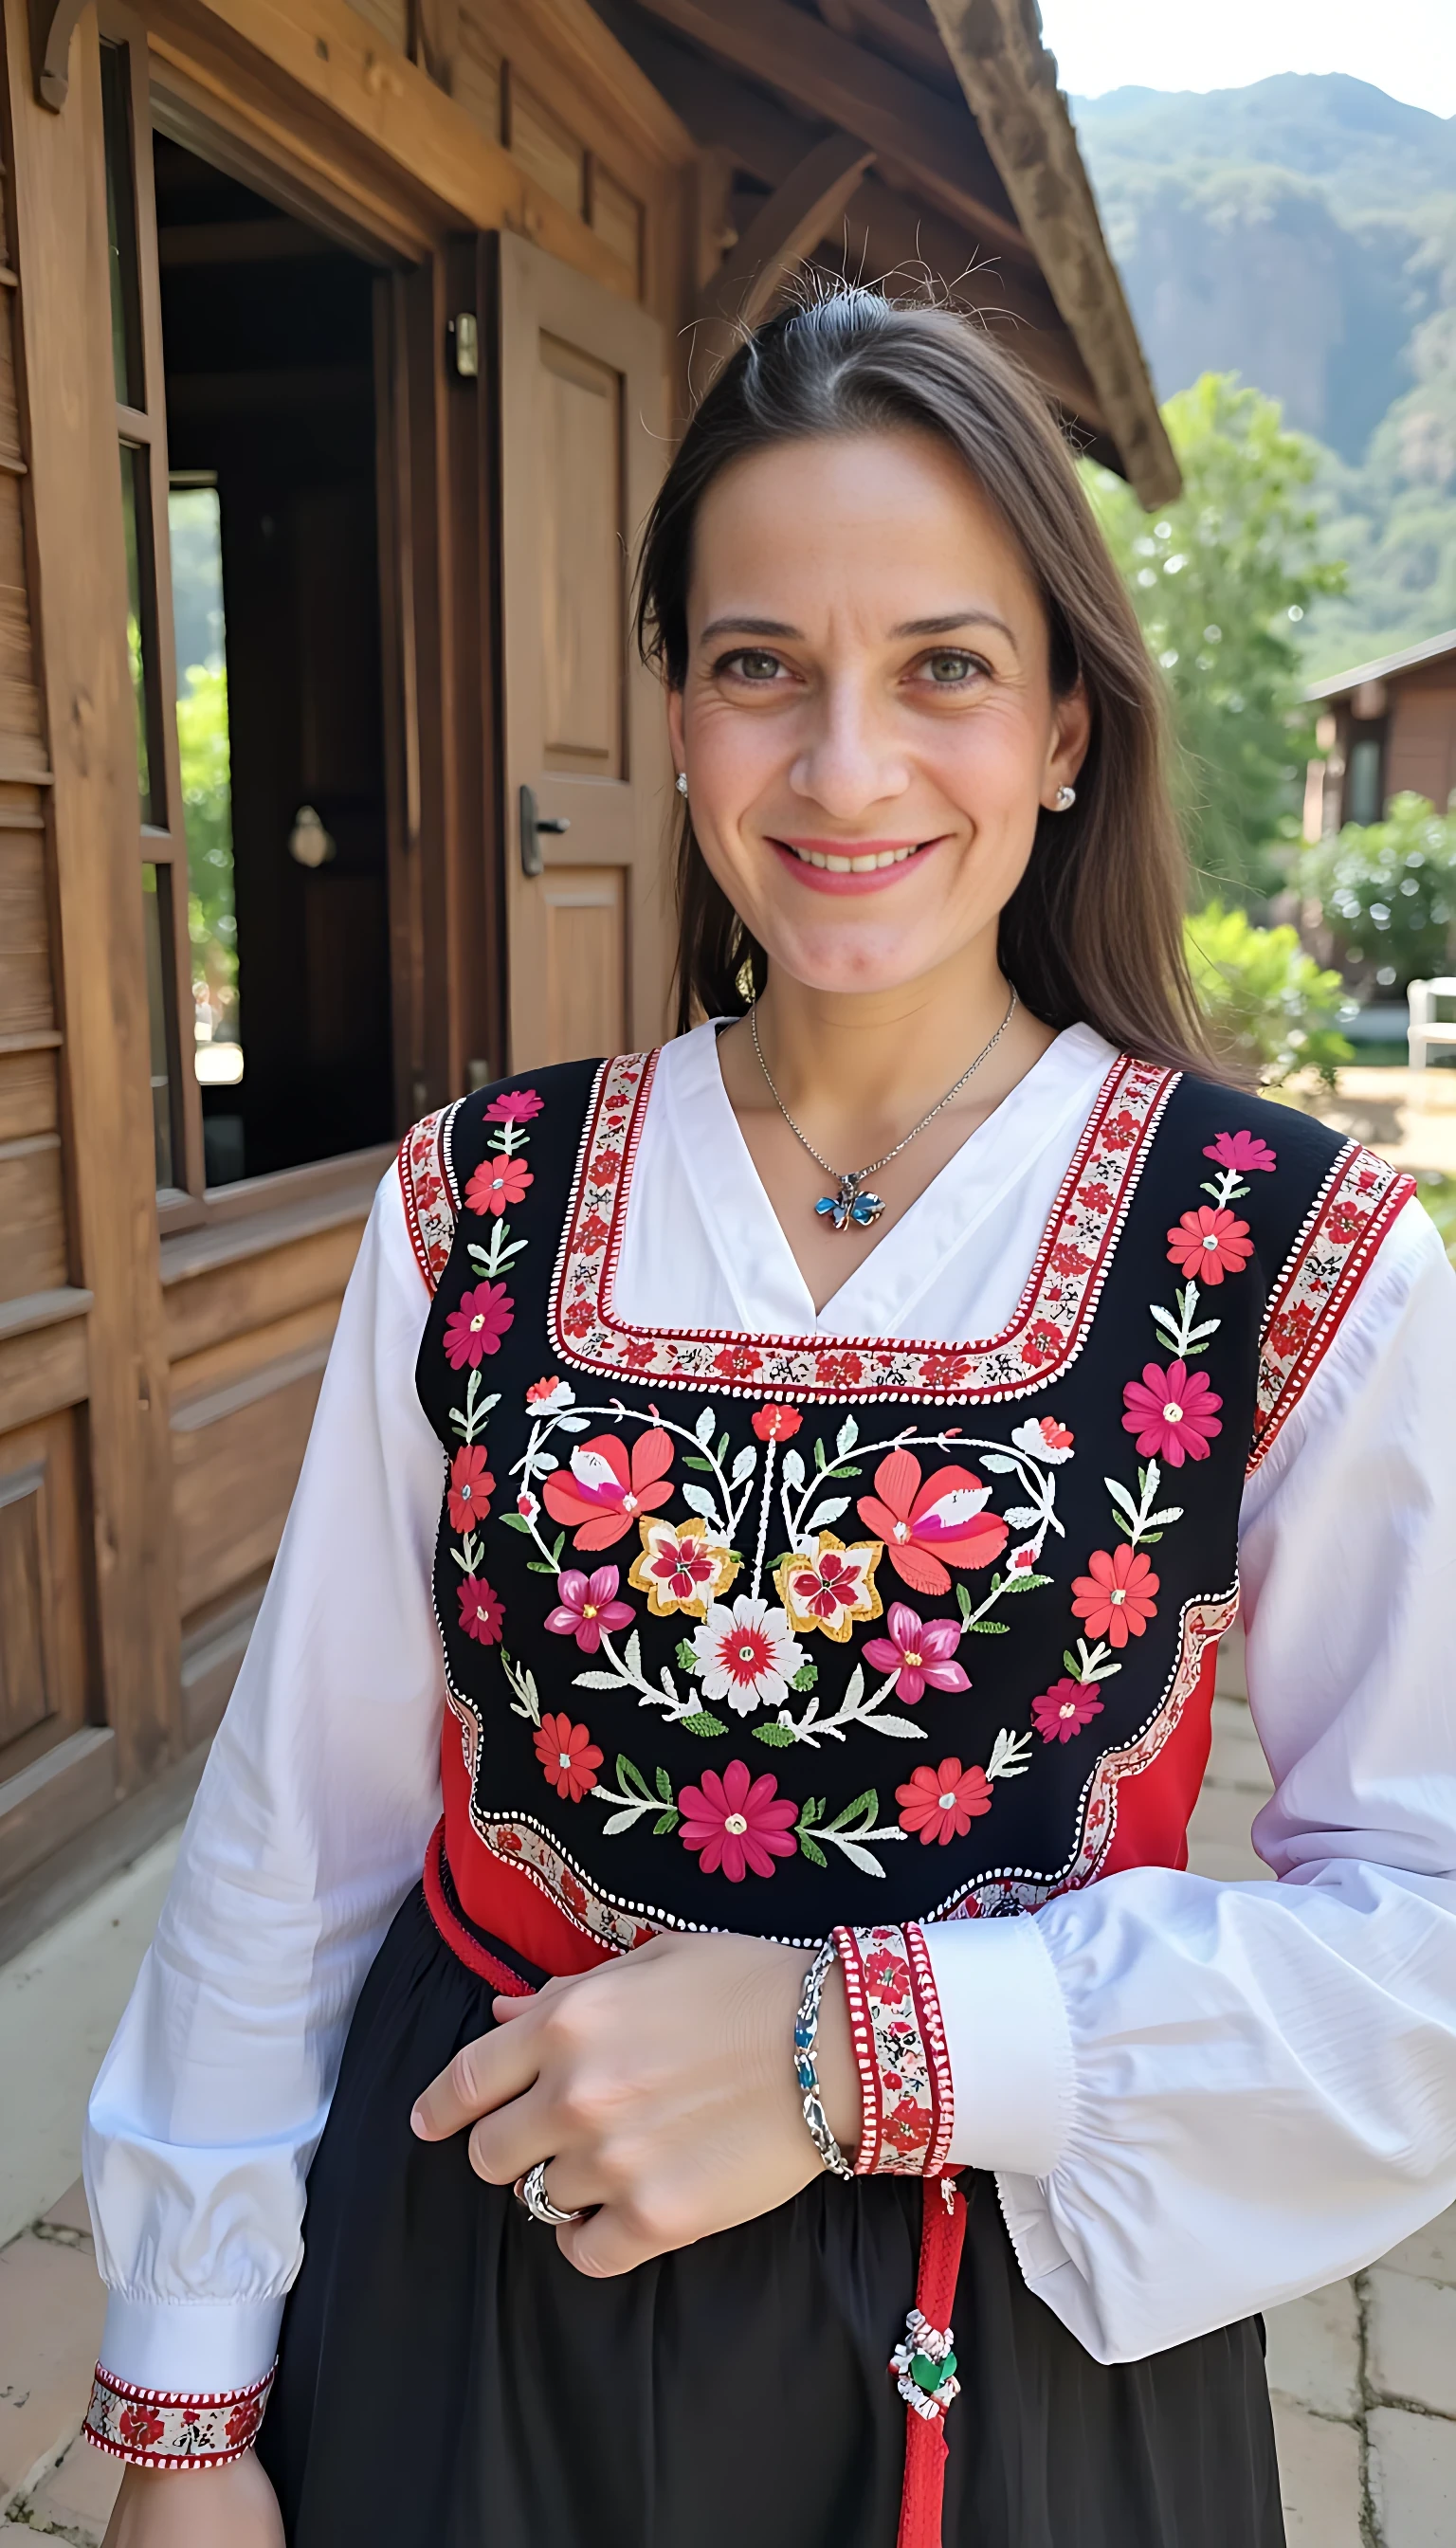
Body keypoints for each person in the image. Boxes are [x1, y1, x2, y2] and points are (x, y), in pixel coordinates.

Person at [86, 291, 1456, 2548]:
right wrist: (188, 2404)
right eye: (757, 668)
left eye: (941, 667)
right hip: (467, 2277)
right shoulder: (479, 1204)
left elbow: (1417, 1932)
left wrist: (872, 2046)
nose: (842, 769)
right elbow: (298, 1824)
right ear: (675, 713)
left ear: (1067, 729)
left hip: (1008, 2360)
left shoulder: (1286, 1256)